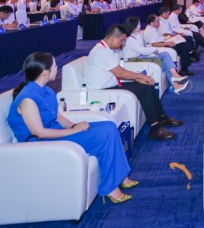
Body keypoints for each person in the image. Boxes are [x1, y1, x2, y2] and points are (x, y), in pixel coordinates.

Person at [7, 52, 136, 203]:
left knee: (109, 125)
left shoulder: (47, 91)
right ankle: (110, 188)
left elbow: (59, 118)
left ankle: (120, 177)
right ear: (45, 72)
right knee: (104, 134)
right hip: (41, 142)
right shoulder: (28, 98)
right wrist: (73, 130)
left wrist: (75, 125)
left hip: (56, 133)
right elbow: (38, 132)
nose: (57, 68)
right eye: (55, 66)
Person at [84, 24, 183, 140]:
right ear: (113, 38)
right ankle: (155, 129)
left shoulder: (107, 49)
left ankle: (162, 117)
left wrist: (138, 78)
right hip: (103, 89)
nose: (122, 43)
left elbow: (118, 71)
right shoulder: (100, 52)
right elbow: (120, 73)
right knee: (144, 89)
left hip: (112, 83)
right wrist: (140, 76)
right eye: (121, 40)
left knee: (147, 85)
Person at [122, 16, 189, 90]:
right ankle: (175, 80)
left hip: (139, 57)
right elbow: (142, 50)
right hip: (134, 60)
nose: (140, 26)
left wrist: (152, 50)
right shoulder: (129, 39)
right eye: (139, 24)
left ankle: (175, 79)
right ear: (134, 26)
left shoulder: (132, 36)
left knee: (165, 56)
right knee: (165, 60)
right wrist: (153, 49)